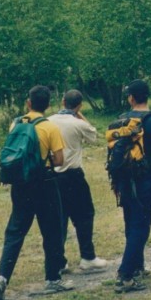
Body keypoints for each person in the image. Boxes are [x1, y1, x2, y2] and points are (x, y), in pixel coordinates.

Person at [0, 85, 73, 300]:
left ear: (28, 103)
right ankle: (52, 279)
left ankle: (2, 277)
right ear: (48, 105)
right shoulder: (49, 127)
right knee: (52, 231)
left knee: (15, 231)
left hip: (20, 184)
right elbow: (59, 160)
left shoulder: (16, 124)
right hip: (45, 183)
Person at [112, 79, 151, 293]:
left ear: (131, 98)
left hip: (123, 179)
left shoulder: (121, 119)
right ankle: (125, 275)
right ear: (148, 96)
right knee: (142, 225)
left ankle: (137, 266)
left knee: (131, 222)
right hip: (145, 178)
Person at [49, 89, 109, 273]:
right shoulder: (77, 123)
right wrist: (80, 115)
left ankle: (58, 261)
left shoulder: (48, 121)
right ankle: (87, 256)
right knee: (84, 215)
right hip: (73, 175)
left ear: (62, 101)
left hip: (53, 175)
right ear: (79, 106)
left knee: (59, 218)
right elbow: (93, 136)